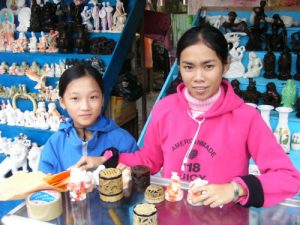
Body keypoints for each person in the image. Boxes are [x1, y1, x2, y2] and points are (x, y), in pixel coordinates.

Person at [117, 25, 300, 208]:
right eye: (188, 67)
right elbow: (150, 160)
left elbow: (288, 177)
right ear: (179, 66)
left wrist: (236, 189)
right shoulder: (164, 109)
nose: (198, 77)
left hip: (224, 218)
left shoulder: (247, 118)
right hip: (173, 216)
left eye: (209, 66)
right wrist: (109, 159)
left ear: (226, 65)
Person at [38, 64, 138, 174]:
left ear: (102, 99)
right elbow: (44, 185)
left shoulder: (123, 140)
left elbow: (141, 179)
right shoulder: (55, 145)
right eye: (75, 98)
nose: (85, 107)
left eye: (93, 97)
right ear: (62, 102)